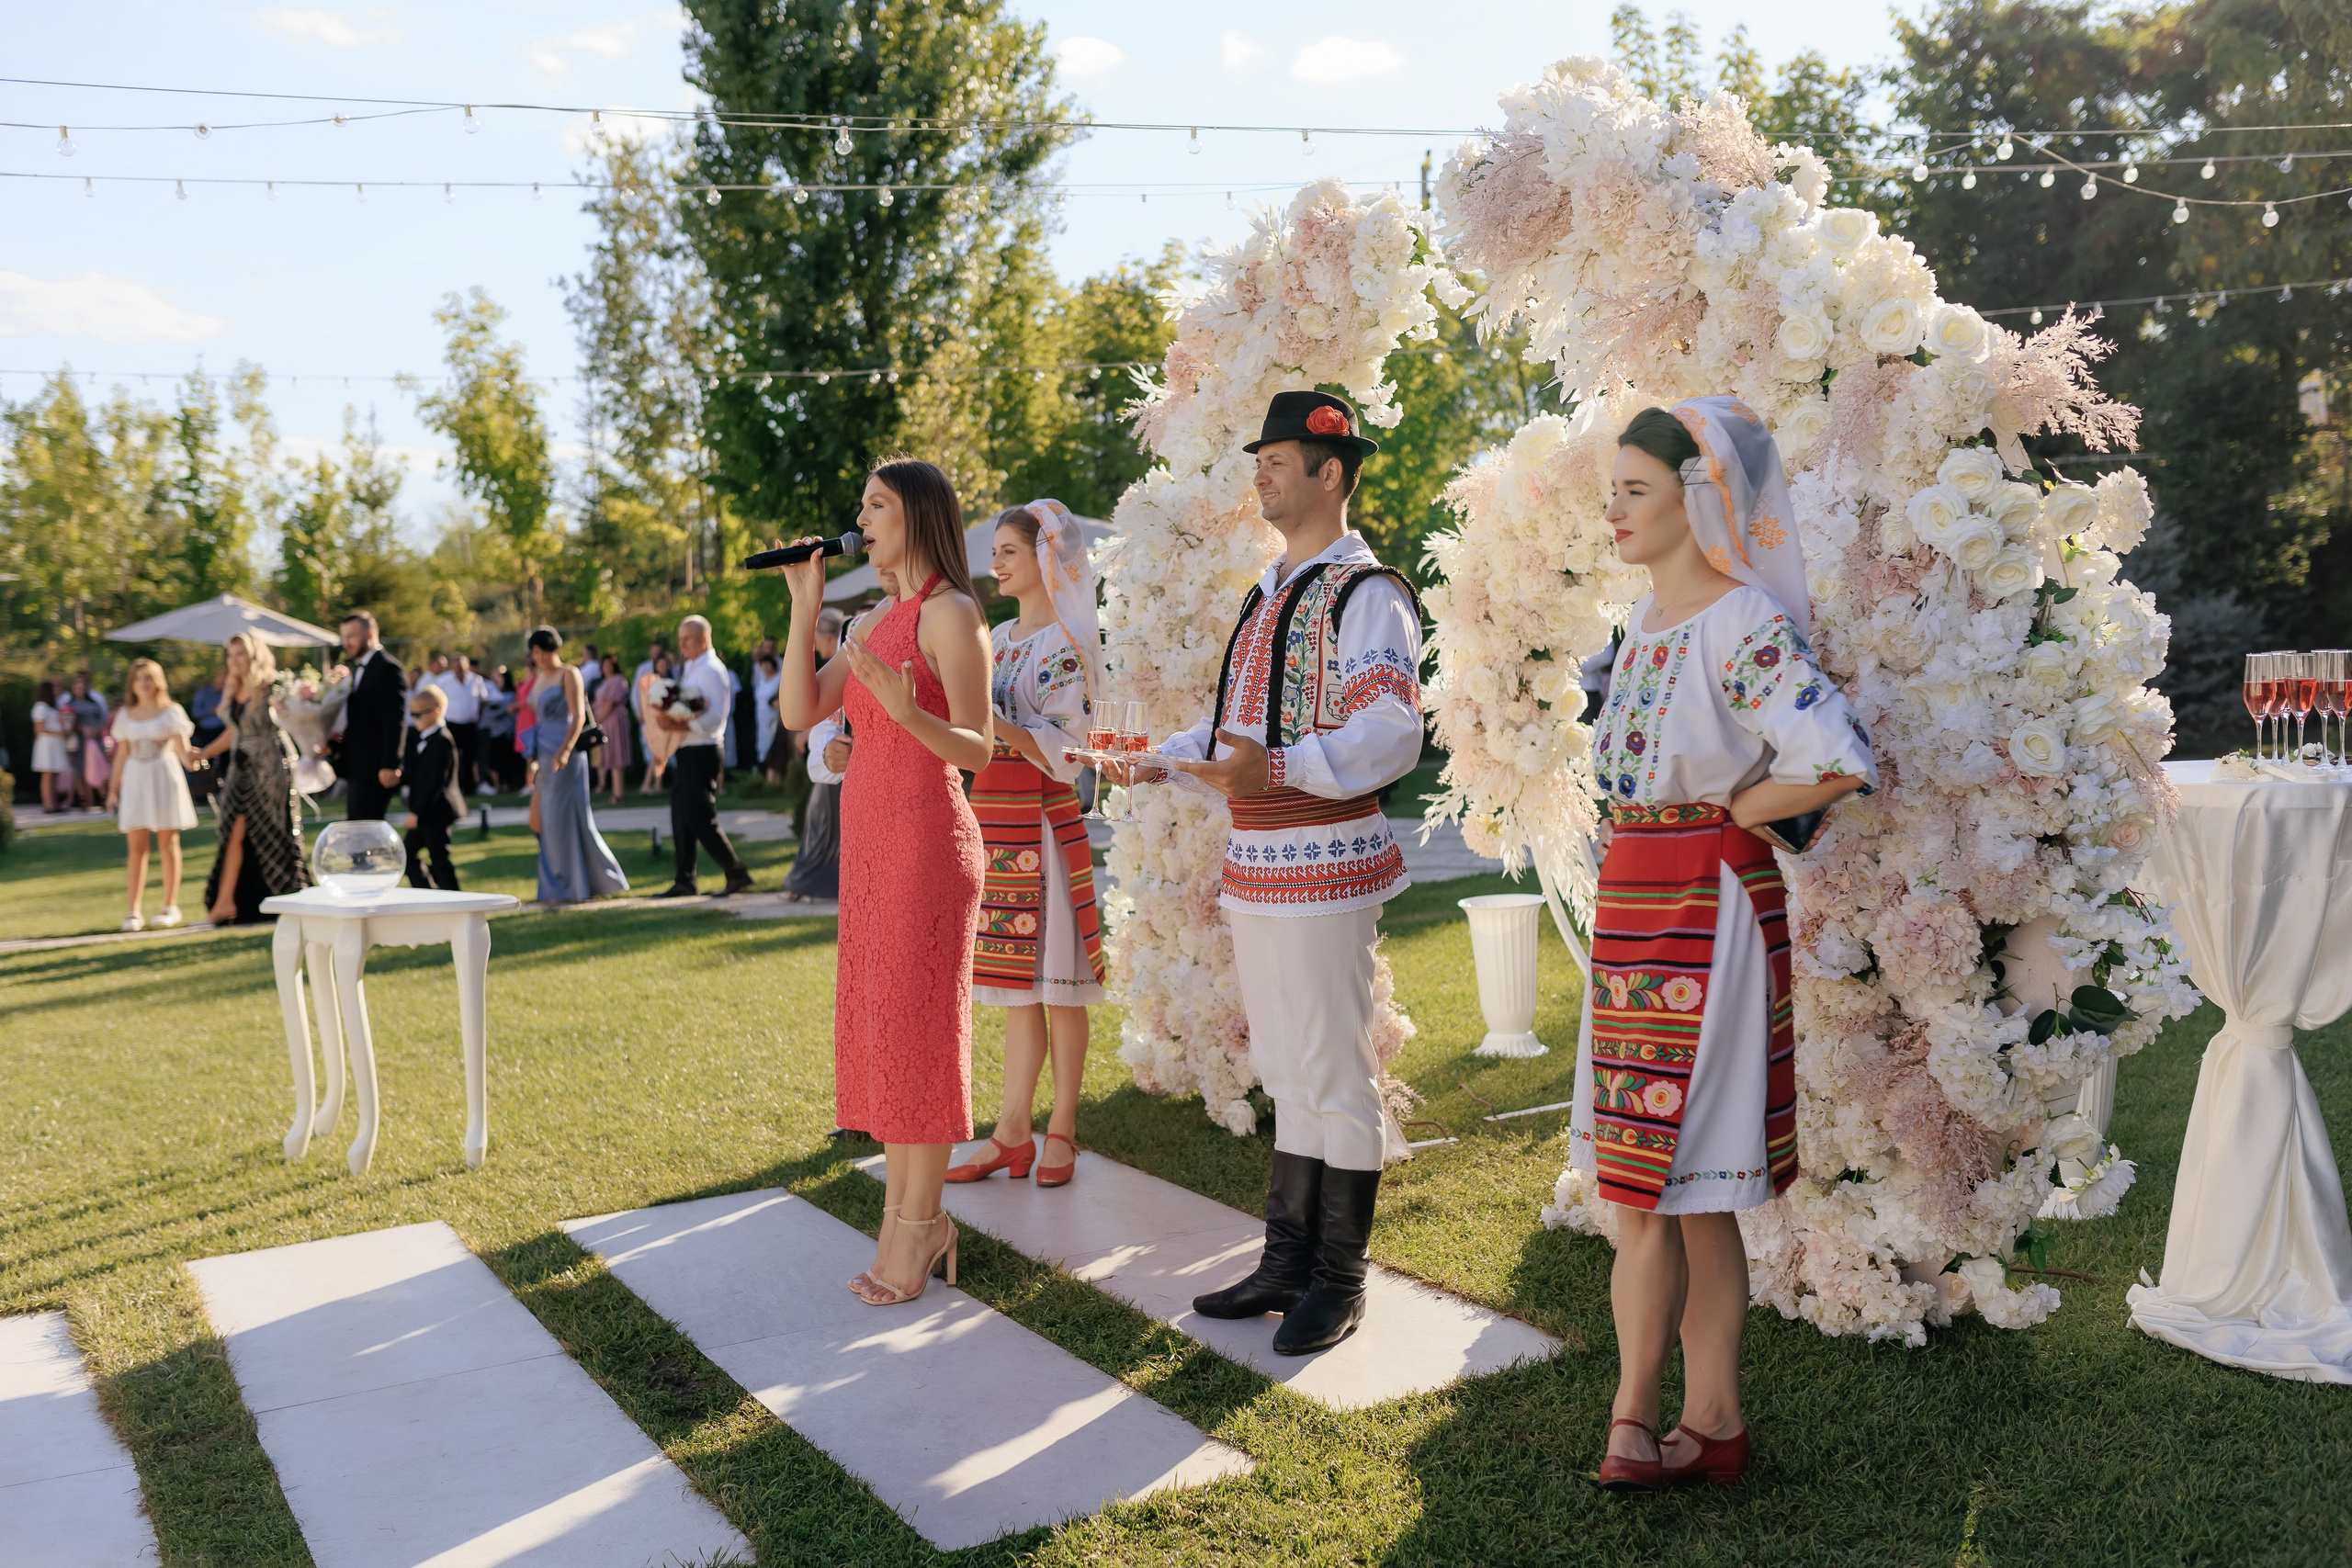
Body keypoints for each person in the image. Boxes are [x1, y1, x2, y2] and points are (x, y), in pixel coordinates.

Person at [1578, 400, 1878, 1492]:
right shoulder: (1638, 629)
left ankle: (1629, 1422)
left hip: (1709, 908)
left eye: (1635, 490)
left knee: (1653, 1188)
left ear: (1697, 499)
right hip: (1632, 906)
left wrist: (1747, 808)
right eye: (1610, 489)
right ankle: (1714, 1421)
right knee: (1674, 1189)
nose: (1612, 510)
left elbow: (1836, 759)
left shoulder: (1741, 622)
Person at [1136, 391, 1427, 1357]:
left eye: (1278, 457)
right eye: (1257, 456)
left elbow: (1389, 732)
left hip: (1325, 858)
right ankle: (1285, 1261)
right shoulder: (1270, 592)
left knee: (1333, 1072)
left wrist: (1283, 766)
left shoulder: (1365, 592)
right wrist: (1157, 753)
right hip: (1259, 857)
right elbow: (1239, 731)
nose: (1259, 470)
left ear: (1331, 473)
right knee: (1285, 1070)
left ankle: (1338, 1279)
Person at [775, 457, 991, 1306]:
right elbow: (800, 711)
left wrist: (907, 715)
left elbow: (976, 747)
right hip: (869, 849)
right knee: (889, 1031)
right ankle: (911, 1219)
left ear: (918, 516)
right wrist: (804, 608)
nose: (861, 519)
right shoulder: (869, 620)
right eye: (860, 505)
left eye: (877, 506)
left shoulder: (951, 613)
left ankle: (917, 1227)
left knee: (922, 1034)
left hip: (931, 844)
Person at [948, 502, 1107, 1190]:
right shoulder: (1001, 636)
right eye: (998, 551)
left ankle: (1063, 1126)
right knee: (1018, 992)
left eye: (1010, 550)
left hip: (1042, 825)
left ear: (1046, 558)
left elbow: (1069, 753)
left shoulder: (1066, 643)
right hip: (996, 823)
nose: (998, 562)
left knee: (1061, 989)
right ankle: (1012, 1131)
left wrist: (992, 722)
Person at [190, 631, 314, 924]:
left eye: (240, 654)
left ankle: (291, 896)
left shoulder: (273, 686)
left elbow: (296, 720)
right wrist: (204, 752)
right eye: (230, 655)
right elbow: (235, 731)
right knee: (231, 829)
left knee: (275, 830)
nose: (234, 661)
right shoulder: (234, 688)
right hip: (239, 768)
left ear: (254, 655)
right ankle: (224, 904)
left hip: (271, 766)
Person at [523, 626, 628, 905]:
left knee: (568, 817)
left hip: (566, 752)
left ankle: (589, 881)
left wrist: (566, 750)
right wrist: (532, 760)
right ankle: (558, 885)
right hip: (544, 753)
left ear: (554, 650)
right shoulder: (538, 679)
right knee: (546, 820)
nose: (539, 658)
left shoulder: (570, 673)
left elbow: (579, 715)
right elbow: (536, 721)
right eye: (535, 653)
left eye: (543, 652)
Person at [652, 615, 753, 897]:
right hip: (687, 749)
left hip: (703, 748)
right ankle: (685, 879)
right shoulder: (691, 667)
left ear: (704, 639)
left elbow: (714, 717)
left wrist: (678, 723)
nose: (681, 644)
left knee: (700, 817)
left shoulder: (710, 668)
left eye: (687, 639)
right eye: (680, 639)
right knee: (681, 817)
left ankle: (736, 873)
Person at [107, 658, 199, 930]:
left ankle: (170, 905)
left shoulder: (172, 712)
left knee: (168, 842)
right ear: (132, 684)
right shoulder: (125, 715)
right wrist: (113, 789)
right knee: (136, 846)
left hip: (164, 776)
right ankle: (132, 911)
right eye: (139, 678)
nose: (144, 683)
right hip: (136, 778)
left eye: (149, 677)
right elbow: (122, 753)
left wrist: (200, 756)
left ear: (158, 680)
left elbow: (185, 753)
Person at [780, 609, 849, 903]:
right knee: (819, 827)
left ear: (832, 636)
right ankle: (804, 884)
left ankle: (808, 885)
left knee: (824, 830)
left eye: (817, 637)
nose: (814, 644)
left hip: (839, 764)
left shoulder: (846, 660)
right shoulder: (836, 666)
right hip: (829, 759)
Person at [330, 611, 407, 821]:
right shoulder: (357, 669)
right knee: (358, 829)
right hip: (357, 767)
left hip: (376, 769)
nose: (346, 643)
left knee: (365, 830)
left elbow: (395, 720)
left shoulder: (388, 668)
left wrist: (391, 764)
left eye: (351, 636)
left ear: (370, 635)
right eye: (343, 637)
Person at [399, 682, 467, 890]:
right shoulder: (423, 739)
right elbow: (417, 773)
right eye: (412, 714)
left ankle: (454, 901)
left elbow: (435, 782)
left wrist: (416, 813)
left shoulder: (443, 741)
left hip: (436, 811)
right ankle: (430, 892)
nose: (414, 719)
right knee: (405, 854)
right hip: (426, 812)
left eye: (419, 715)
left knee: (439, 859)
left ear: (435, 712)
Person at [440, 653, 491, 796]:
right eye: (456, 667)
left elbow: (484, 699)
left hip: (469, 724)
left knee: (470, 757)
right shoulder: (444, 680)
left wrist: (477, 716)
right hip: (452, 724)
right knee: (452, 756)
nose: (459, 670)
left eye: (461, 667)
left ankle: (469, 787)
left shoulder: (476, 680)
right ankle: (453, 786)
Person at [593, 654, 633, 806]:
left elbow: (611, 703)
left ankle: (619, 794)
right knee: (610, 757)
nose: (607, 667)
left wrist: (598, 719)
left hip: (615, 722)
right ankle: (616, 793)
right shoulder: (604, 682)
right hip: (606, 724)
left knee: (617, 755)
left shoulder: (618, 680)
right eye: (605, 664)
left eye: (610, 664)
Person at [67, 673, 111, 811]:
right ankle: (85, 800)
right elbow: (67, 723)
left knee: (98, 768)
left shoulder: (94, 703)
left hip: (94, 740)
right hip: (78, 743)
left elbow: (103, 720)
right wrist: (80, 728)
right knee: (80, 771)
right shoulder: (69, 705)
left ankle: (103, 799)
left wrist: (95, 730)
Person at [29, 679, 70, 814]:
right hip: (47, 744)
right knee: (47, 774)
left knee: (55, 774)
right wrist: (58, 732)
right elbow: (39, 728)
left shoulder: (53, 706)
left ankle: (54, 803)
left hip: (55, 744)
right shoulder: (40, 706)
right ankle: (48, 805)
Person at [188, 668, 227, 807]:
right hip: (207, 732)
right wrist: (211, 711)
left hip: (224, 731)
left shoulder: (228, 693)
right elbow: (195, 712)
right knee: (207, 763)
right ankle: (205, 793)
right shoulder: (204, 694)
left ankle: (225, 791)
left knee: (225, 763)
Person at [479, 668, 518, 793]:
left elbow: (504, 711)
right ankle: (497, 785)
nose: (497, 680)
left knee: (504, 760)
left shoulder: (510, 695)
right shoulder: (492, 692)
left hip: (505, 732)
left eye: (500, 678)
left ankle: (505, 784)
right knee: (493, 761)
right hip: (493, 732)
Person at [752, 652, 784, 783]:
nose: (765, 667)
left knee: (774, 746)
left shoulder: (779, 679)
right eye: (762, 665)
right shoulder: (761, 681)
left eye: (767, 664)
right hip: (761, 719)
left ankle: (775, 779)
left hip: (774, 719)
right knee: (762, 745)